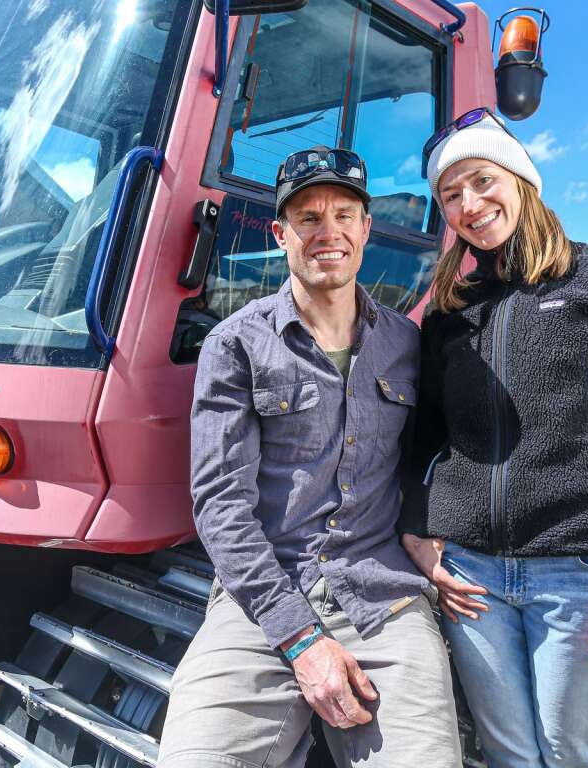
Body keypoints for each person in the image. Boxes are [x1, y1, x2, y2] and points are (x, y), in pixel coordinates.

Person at [158, 146, 462, 768]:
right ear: (280, 234)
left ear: (366, 228)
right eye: (309, 218)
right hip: (263, 601)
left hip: (384, 602)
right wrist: (300, 638)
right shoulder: (235, 345)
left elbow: (435, 455)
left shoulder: (408, 343)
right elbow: (220, 505)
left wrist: (431, 532)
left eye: (345, 215)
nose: (329, 233)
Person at [399, 108, 588, 767]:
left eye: (481, 181)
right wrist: (417, 530)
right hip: (471, 576)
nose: (469, 204)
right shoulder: (449, 312)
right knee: (505, 752)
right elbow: (422, 442)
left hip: (576, 574)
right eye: (451, 195)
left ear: (521, 180)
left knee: (569, 750)